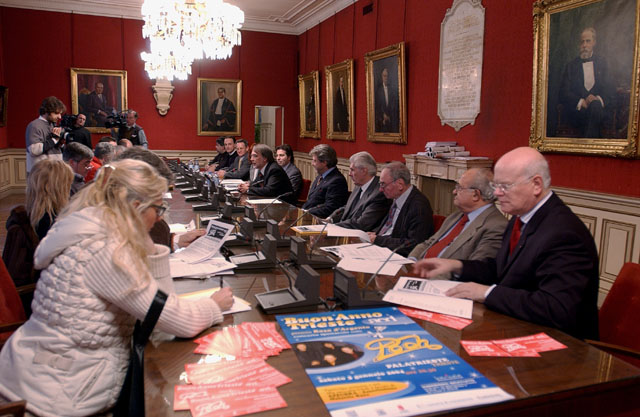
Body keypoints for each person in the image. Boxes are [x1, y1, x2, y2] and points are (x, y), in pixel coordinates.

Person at [0, 159, 234, 416]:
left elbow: (159, 308)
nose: (160, 217)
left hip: (39, 371)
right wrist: (214, 305)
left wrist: (149, 247)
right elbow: (174, 319)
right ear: (135, 207)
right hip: (59, 392)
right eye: (158, 207)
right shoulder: (107, 251)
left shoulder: (90, 226)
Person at [413, 147, 599, 340]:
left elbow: (555, 308)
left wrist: (487, 293)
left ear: (536, 184)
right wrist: (457, 266)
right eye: (496, 186)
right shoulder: (520, 218)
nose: (497, 193)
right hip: (516, 325)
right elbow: (500, 269)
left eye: (505, 186)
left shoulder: (564, 233)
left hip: (558, 343)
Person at [409, 168, 508, 276]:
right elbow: (428, 243)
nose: (454, 192)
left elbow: (476, 270)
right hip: (417, 272)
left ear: (475, 195)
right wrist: (411, 261)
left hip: (441, 280)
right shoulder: (456, 216)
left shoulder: (496, 226)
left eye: (459, 188)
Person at [368, 161, 434, 257]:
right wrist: (374, 235)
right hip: (383, 249)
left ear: (400, 184)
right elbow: (391, 229)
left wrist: (377, 240)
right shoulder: (396, 198)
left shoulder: (419, 206)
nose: (380, 189)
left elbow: (413, 244)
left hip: (398, 256)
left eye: (383, 184)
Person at [559, 27, 612, 138]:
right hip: (577, 111)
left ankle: (587, 142)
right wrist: (580, 101)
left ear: (594, 43)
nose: (584, 45)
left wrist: (597, 99)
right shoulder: (571, 66)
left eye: (588, 41)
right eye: (582, 42)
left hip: (599, 111)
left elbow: (609, 89)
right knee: (592, 112)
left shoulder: (603, 63)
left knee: (595, 106)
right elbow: (564, 92)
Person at [328, 151, 391, 231]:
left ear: (364, 171)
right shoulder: (359, 185)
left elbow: (361, 224)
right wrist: (330, 219)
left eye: (352, 170)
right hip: (344, 230)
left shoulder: (379, 193)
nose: (349, 174)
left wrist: (332, 227)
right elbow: (347, 208)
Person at [302, 144, 349, 218]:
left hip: (319, 220)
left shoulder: (337, 181)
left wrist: (306, 212)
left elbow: (330, 208)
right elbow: (312, 200)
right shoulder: (320, 176)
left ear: (324, 162)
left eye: (315, 161)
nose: (312, 163)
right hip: (307, 216)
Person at [25, 96, 66, 175]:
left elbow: (52, 148)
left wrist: (60, 143)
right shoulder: (34, 125)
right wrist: (54, 140)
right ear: (47, 111)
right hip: (41, 173)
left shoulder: (52, 124)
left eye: (60, 114)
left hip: (54, 171)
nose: (60, 117)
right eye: (56, 113)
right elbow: (34, 150)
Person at [374, 67, 399, 133]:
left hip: (391, 120)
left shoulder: (392, 89)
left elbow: (394, 106)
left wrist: (389, 116)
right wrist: (383, 115)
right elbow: (377, 107)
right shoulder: (378, 91)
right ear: (382, 77)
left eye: (387, 76)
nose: (386, 78)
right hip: (381, 121)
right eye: (384, 76)